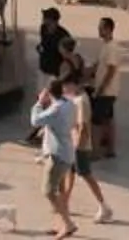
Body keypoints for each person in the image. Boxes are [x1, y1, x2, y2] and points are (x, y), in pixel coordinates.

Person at [29, 74, 83, 240]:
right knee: (59, 191)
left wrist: (39, 102)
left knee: (48, 190)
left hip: (56, 156)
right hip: (67, 153)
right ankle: (62, 224)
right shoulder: (69, 104)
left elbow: (35, 121)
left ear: (49, 93)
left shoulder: (55, 109)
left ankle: (68, 224)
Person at [64, 74, 116, 224]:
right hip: (73, 143)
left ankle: (104, 206)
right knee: (70, 172)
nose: (65, 90)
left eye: (67, 86)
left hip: (79, 145)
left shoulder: (81, 101)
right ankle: (65, 202)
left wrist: (78, 145)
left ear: (74, 85)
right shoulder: (77, 98)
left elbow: (83, 126)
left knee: (86, 175)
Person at [88, 16, 123, 160]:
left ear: (108, 29)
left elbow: (111, 70)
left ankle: (95, 151)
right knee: (108, 119)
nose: (99, 30)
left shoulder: (112, 48)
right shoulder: (105, 46)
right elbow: (97, 66)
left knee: (96, 122)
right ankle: (110, 149)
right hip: (108, 91)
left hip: (107, 91)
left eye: (101, 27)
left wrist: (100, 89)